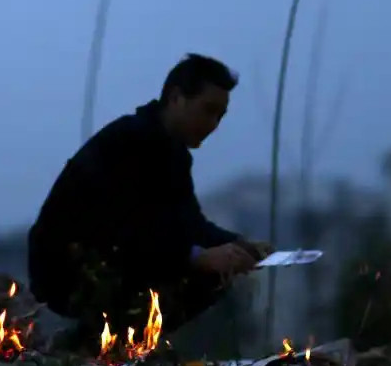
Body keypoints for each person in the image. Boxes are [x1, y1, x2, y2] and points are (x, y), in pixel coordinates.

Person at [27, 53, 272, 350]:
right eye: (207, 111)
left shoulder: (173, 155)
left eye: (220, 116)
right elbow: (126, 233)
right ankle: (92, 344)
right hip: (70, 270)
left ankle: (101, 344)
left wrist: (238, 245)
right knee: (201, 272)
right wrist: (197, 258)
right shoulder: (131, 141)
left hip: (114, 260)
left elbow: (190, 224)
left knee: (216, 272)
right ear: (176, 98)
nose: (213, 124)